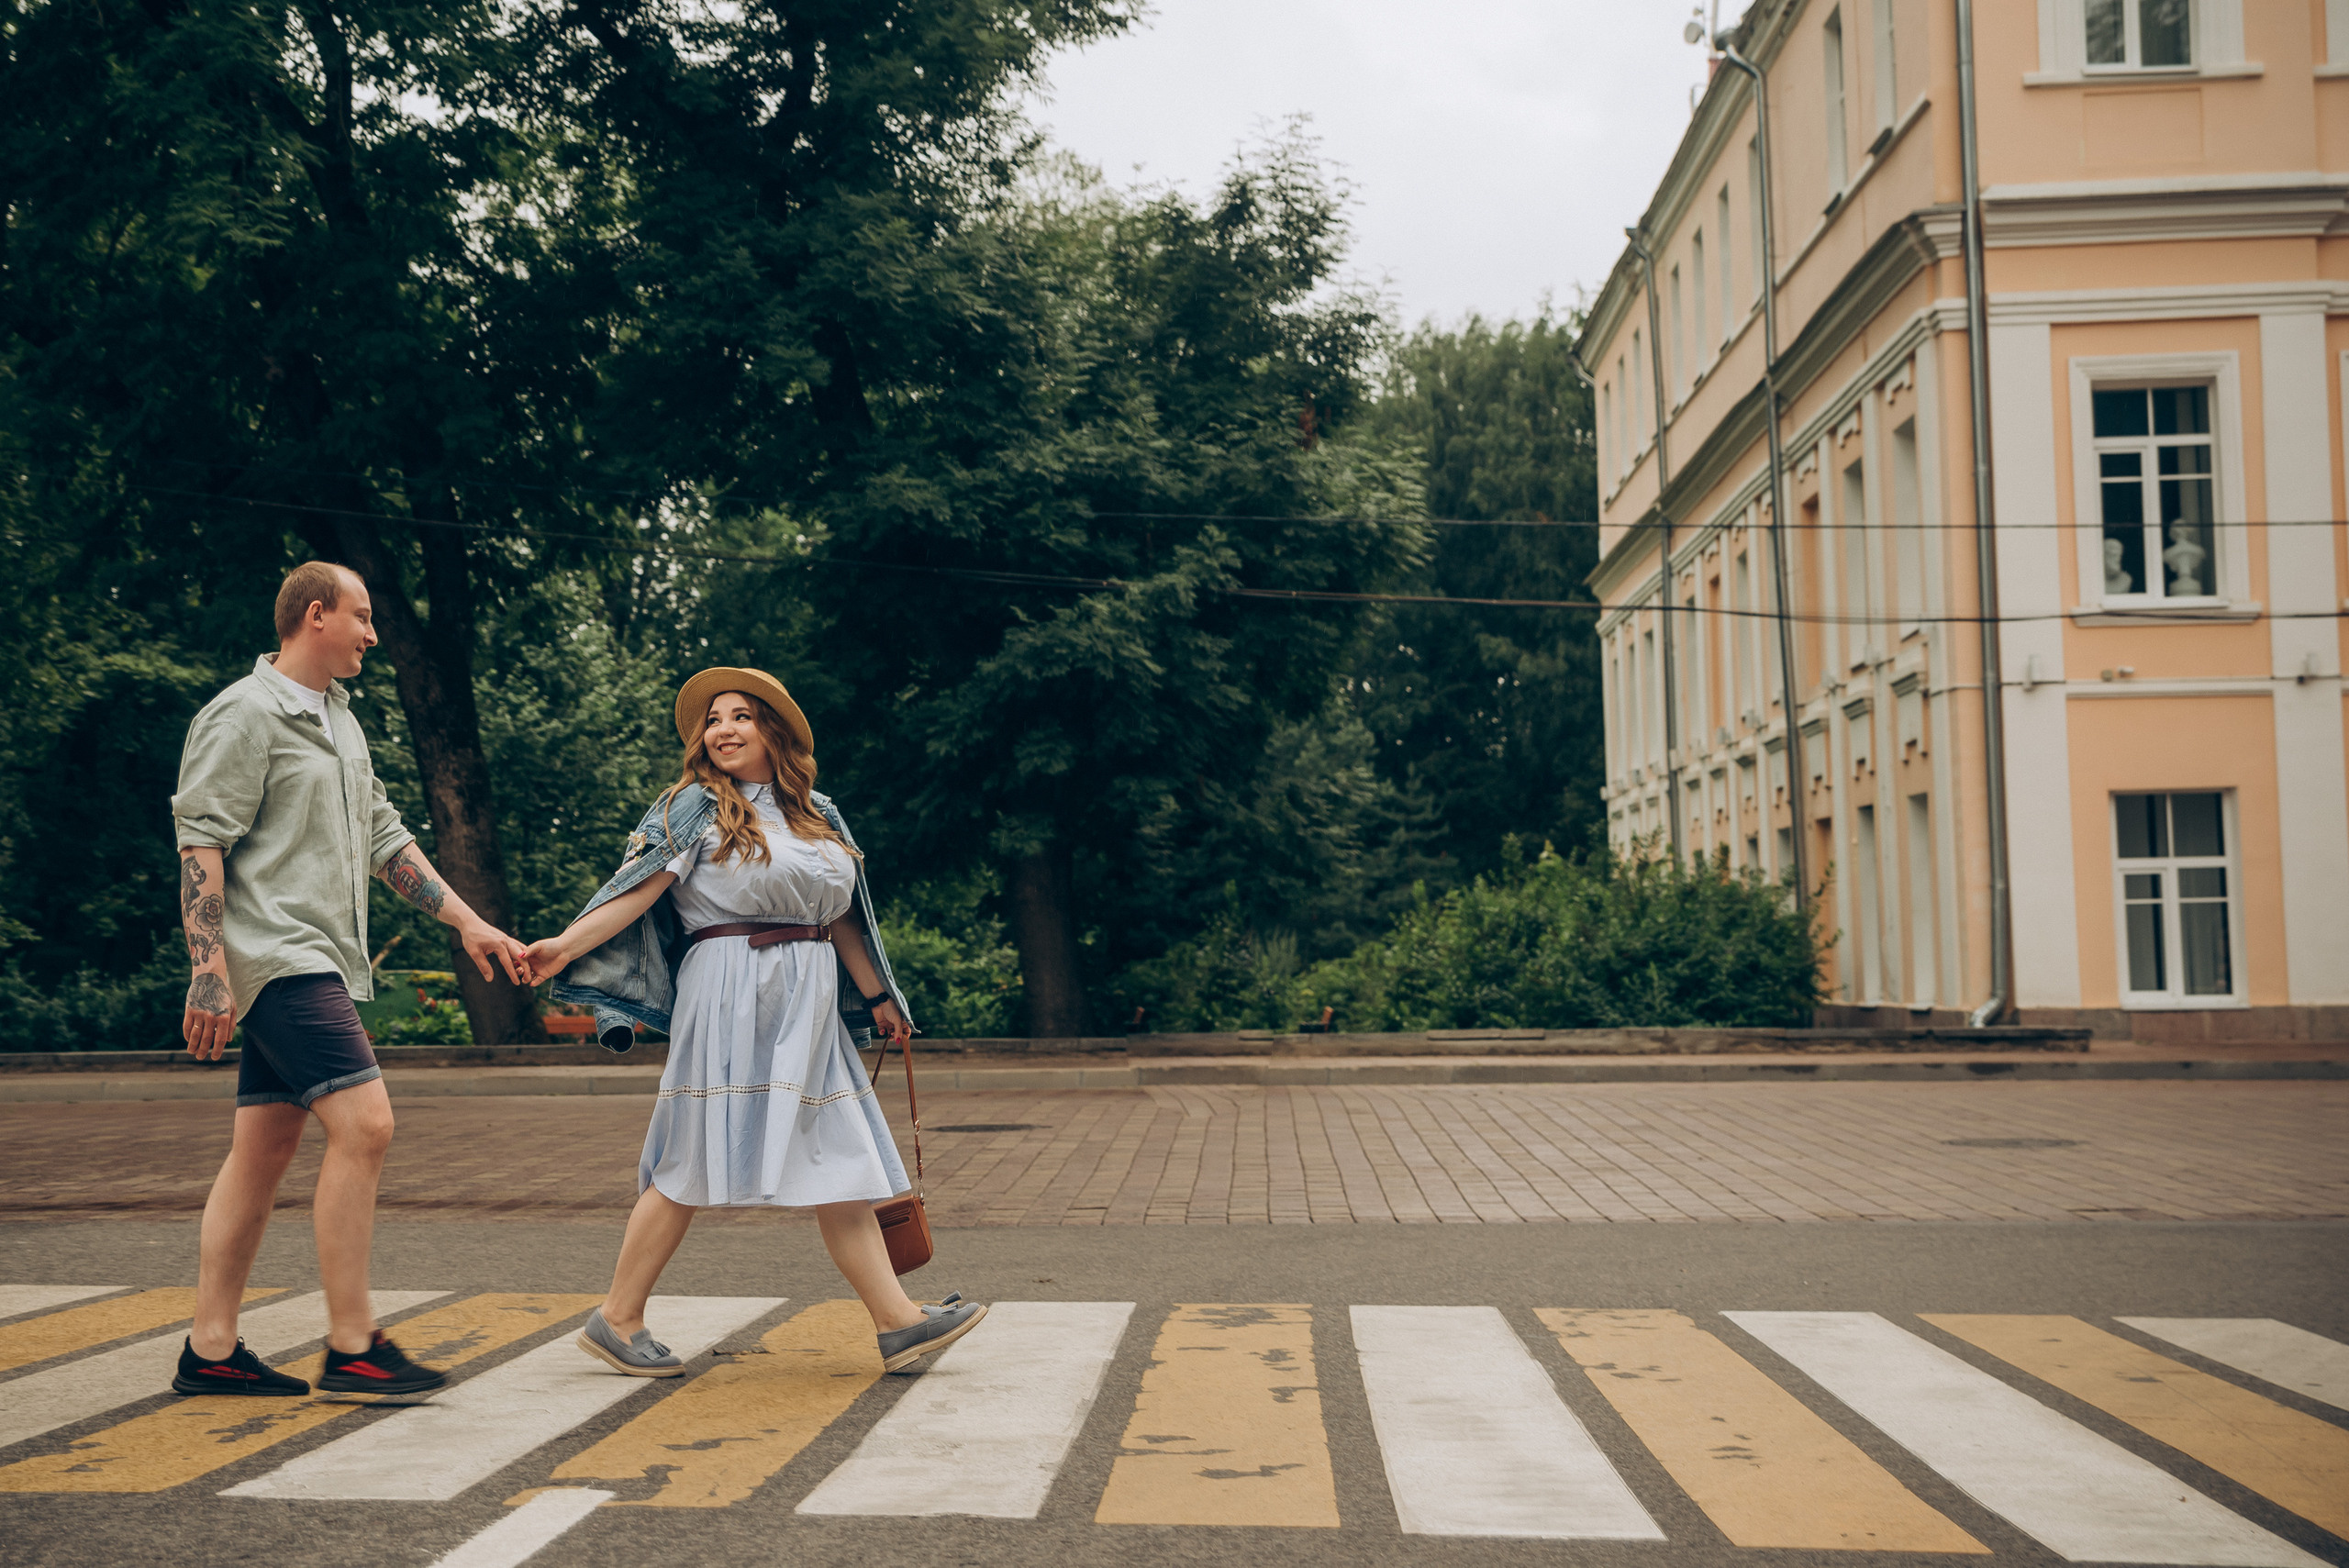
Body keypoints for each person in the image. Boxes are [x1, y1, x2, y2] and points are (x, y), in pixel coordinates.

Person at [523, 667, 985, 1376]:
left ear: (775, 729)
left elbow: (841, 917)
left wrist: (880, 995)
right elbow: (634, 893)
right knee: (691, 1157)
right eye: (714, 719)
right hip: (730, 989)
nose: (724, 729)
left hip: (810, 996)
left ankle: (897, 1321)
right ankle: (617, 1316)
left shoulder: (817, 811)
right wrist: (561, 946)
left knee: (835, 1154)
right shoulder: (693, 806)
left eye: (741, 715)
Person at [171, 562, 531, 1401]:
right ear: (316, 614)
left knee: (263, 1150)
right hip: (277, 955)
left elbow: (383, 837)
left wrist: (468, 920)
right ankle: (353, 1343)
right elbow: (200, 842)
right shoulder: (245, 713)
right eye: (363, 618)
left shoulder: (339, 720)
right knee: (366, 1123)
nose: (373, 634)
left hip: (318, 955)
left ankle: (211, 1348)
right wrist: (209, 971)